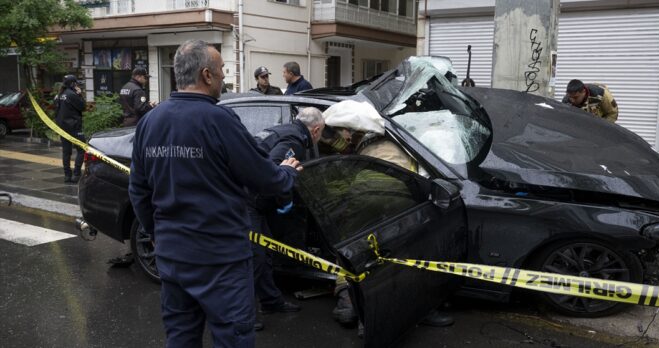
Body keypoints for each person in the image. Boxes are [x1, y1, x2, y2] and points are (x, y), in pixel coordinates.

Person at [128, 39, 303, 348]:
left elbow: (138, 191)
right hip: (221, 262)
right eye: (222, 69)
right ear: (207, 75)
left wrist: (157, 233)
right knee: (233, 338)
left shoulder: (150, 122)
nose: (225, 76)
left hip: (173, 257)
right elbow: (264, 178)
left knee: (181, 338)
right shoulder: (219, 120)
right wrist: (288, 172)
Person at [319, 101, 454, 335]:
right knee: (403, 254)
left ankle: (347, 303)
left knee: (354, 250)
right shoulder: (407, 141)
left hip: (361, 196)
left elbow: (340, 157)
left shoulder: (360, 143)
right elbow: (422, 177)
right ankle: (398, 313)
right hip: (396, 198)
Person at [250, 107, 325, 318]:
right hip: (247, 200)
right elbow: (274, 171)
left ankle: (270, 301)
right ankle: (245, 315)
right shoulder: (296, 142)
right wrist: (285, 201)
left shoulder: (288, 129)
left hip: (252, 197)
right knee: (254, 258)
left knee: (263, 254)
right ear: (316, 130)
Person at [54, 75, 86, 184]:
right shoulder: (72, 94)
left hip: (62, 127)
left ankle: (67, 175)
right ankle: (76, 174)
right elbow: (82, 107)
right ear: (73, 84)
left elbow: (56, 111)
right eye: (75, 83)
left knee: (66, 152)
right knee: (82, 149)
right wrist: (80, 94)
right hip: (74, 127)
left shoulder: (59, 95)